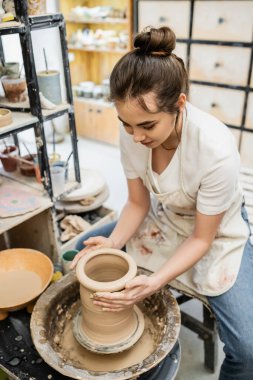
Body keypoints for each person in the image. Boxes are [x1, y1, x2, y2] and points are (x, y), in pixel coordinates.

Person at [71, 26, 253, 380]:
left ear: (179, 104)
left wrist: (155, 283)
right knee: (84, 251)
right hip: (166, 217)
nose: (136, 136)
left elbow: (202, 238)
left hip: (216, 232)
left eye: (148, 126)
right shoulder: (134, 132)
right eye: (126, 125)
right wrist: (112, 242)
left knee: (248, 351)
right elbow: (138, 204)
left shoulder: (215, 151)